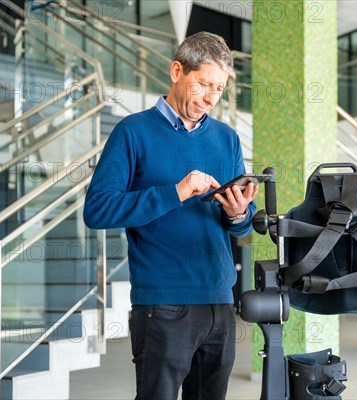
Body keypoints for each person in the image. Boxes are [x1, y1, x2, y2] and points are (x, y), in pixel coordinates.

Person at [83, 31, 258, 400]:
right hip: (163, 305)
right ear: (177, 70)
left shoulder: (227, 138)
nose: (211, 98)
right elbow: (97, 210)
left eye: (220, 89)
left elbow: (241, 221)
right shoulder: (132, 132)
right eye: (203, 84)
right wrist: (175, 193)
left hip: (220, 302)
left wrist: (239, 213)